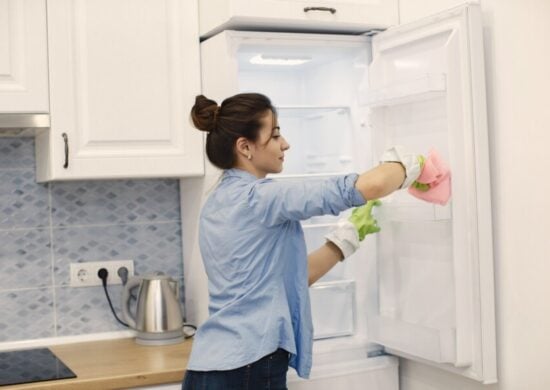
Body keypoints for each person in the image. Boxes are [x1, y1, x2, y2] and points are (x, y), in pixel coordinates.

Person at [182, 93, 423, 390]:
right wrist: (412, 165)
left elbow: (285, 280)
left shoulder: (215, 203)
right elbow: (369, 185)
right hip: (249, 367)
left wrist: (344, 240)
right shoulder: (262, 197)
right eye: (275, 135)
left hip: (205, 369)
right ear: (245, 147)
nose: (285, 144)